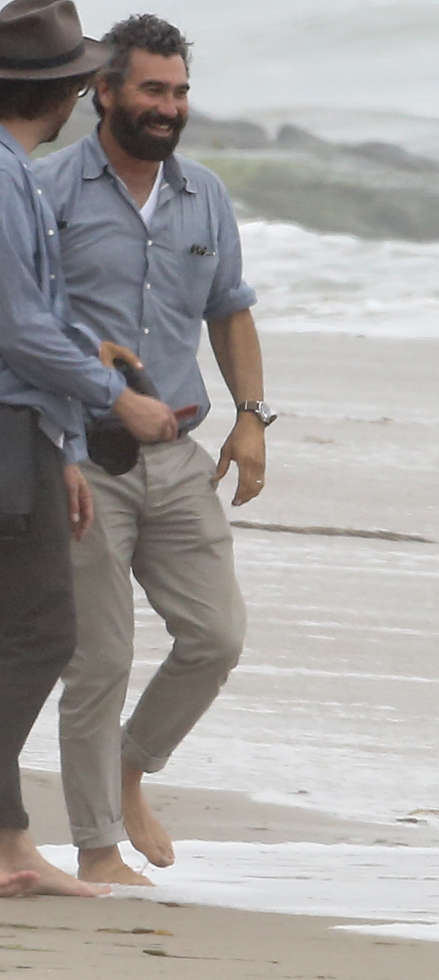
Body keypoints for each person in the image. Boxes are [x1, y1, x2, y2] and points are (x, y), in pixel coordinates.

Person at [36, 12, 272, 887]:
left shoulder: (203, 194)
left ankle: (132, 769)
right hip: (83, 453)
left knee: (216, 635)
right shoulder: (45, 191)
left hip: (179, 451)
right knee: (96, 660)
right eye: (152, 89)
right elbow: (22, 322)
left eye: (179, 92)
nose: (169, 107)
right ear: (103, 91)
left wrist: (252, 416)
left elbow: (231, 307)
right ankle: (97, 848)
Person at [0, 0, 176, 899]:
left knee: (25, 631)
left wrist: (64, 439)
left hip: (28, 431)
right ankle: (7, 846)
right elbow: (15, 327)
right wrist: (114, 402)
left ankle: (11, 843)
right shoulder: (5, 177)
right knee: (41, 633)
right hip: (6, 428)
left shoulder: (15, 173)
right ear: (69, 90)